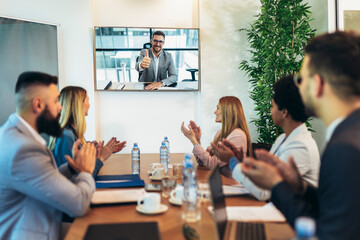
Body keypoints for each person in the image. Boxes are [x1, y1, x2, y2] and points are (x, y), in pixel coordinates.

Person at [213, 31, 360, 239]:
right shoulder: (349, 134)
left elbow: (327, 234)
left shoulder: (344, 149)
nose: (299, 87)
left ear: (317, 84)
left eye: (301, 79)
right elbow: (336, 211)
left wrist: (276, 185)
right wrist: (299, 186)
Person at [0, 72, 96, 239]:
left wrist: (72, 169)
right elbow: (79, 204)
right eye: (56, 101)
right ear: (38, 104)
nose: (60, 107)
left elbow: (40, 178)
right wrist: (85, 172)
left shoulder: (12, 134)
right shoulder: (24, 150)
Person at [219, 75, 320, 200]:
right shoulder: (283, 138)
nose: (270, 111)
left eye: (272, 106)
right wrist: (241, 161)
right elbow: (263, 178)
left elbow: (264, 192)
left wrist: (232, 162)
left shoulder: (300, 146)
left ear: (284, 112)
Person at [48, 86, 126, 177]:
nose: (89, 104)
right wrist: (101, 158)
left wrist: (94, 152)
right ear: (78, 105)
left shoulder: (71, 133)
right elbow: (78, 178)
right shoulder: (66, 136)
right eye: (87, 101)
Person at [181, 96, 252, 178]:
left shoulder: (238, 135)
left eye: (218, 108)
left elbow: (212, 164)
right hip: (221, 179)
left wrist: (193, 141)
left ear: (227, 111)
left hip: (232, 183)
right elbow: (203, 162)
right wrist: (197, 139)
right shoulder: (220, 133)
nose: (215, 112)